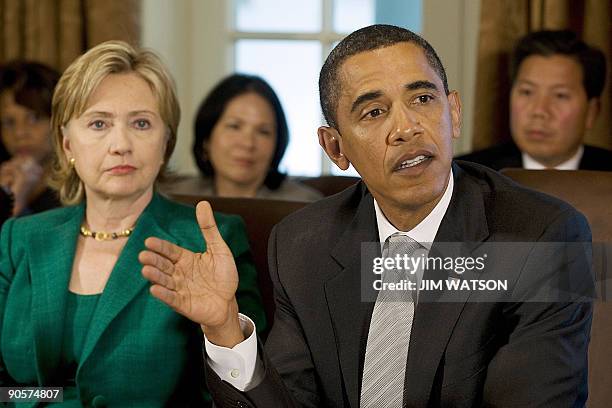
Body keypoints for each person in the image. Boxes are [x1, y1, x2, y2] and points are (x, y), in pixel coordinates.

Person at [141, 25, 593, 406]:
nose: (407, 128)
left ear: (452, 113)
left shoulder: (546, 239)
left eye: (422, 100)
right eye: (375, 112)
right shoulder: (302, 245)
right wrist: (224, 328)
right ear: (335, 147)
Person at [0, 41, 265, 407]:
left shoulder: (212, 240)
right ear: (67, 144)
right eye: (98, 123)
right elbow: (4, 389)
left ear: (165, 143)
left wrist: (222, 329)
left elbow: (251, 400)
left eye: (141, 123)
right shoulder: (19, 238)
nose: (120, 144)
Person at [457, 30, 612, 171]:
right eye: (527, 92)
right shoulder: (465, 176)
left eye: (560, 95)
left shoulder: (606, 175)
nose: (539, 111)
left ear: (592, 112)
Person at [167, 73, 321, 201]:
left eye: (263, 132)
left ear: (278, 143)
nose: (248, 143)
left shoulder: (304, 206)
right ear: (206, 137)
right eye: (234, 126)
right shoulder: (171, 198)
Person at [0, 61, 62, 220]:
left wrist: (15, 205)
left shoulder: (78, 193)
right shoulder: (5, 180)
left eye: (34, 118)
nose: (19, 133)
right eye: (9, 123)